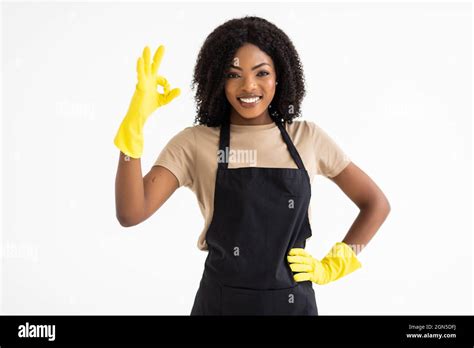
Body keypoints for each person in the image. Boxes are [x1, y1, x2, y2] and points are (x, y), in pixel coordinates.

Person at [114, 16, 391, 315]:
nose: (249, 86)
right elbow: (131, 212)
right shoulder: (194, 143)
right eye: (234, 74)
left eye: (262, 73)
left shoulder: (307, 138)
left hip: (293, 306)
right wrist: (134, 126)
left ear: (279, 77)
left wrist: (333, 266)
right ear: (217, 79)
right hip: (219, 305)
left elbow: (376, 204)